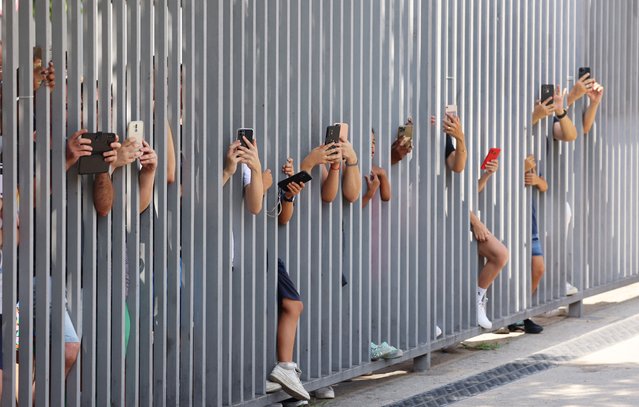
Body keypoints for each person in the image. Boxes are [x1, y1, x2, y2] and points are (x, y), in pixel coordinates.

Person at [223, 136, 308, 402]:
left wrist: (273, 183)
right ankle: (281, 370)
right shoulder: (224, 160)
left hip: (256, 249)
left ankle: (283, 369)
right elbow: (253, 205)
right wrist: (244, 175)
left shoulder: (254, 163)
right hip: (233, 250)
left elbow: (267, 211)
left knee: (290, 305)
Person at [444, 113, 508, 329]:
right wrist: (475, 221)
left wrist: (486, 177)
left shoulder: (445, 140)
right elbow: (447, 192)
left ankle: (476, 301)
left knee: (500, 254)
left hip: (458, 214)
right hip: (441, 218)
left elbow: (462, 185)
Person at [510, 155, 548, 334]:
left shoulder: (528, 152)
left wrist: (536, 179)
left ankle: (520, 312)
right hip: (508, 223)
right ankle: (512, 316)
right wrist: (518, 171)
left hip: (529, 224)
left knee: (538, 268)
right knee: (510, 271)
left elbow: (544, 186)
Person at [362, 128, 391, 208]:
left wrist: (383, 174)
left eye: (373, 142)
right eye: (368, 142)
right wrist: (370, 193)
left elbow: (386, 197)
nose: (372, 146)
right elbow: (351, 210)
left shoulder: (373, 169)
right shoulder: (349, 167)